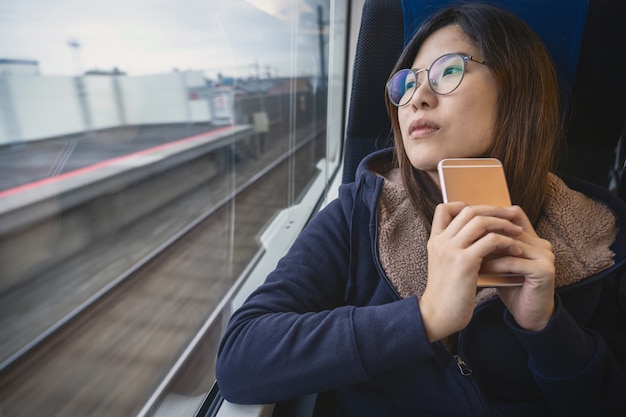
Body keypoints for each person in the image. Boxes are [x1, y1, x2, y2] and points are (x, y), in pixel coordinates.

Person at [216, 3, 626, 416]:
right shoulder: (360, 214)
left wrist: (547, 326)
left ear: (516, 89)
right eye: (405, 85)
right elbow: (240, 359)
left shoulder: (594, 240)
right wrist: (425, 316)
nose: (417, 99)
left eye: (448, 71)